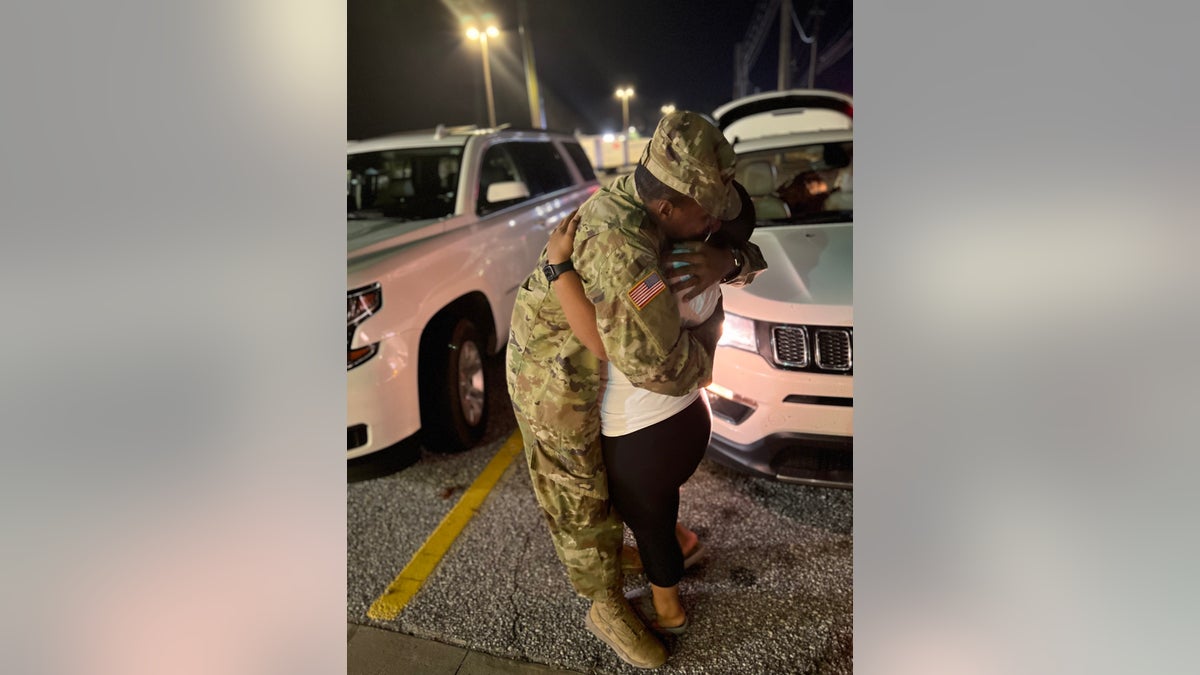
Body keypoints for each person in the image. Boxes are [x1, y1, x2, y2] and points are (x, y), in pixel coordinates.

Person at [506, 111, 764, 669]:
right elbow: (644, 362)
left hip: (596, 347)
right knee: (579, 489)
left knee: (619, 479)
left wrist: (729, 258)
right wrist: (710, 356)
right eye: (707, 215)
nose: (714, 221)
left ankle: (647, 541)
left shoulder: (667, 198)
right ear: (668, 206)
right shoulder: (622, 251)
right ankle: (604, 605)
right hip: (552, 367)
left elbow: (745, 241)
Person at [544, 179, 759, 637]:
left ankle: (670, 613)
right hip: (687, 420)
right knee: (660, 502)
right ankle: (686, 541)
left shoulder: (658, 274)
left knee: (649, 524)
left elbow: (603, 343)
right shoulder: (711, 267)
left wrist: (557, 267)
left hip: (643, 434)